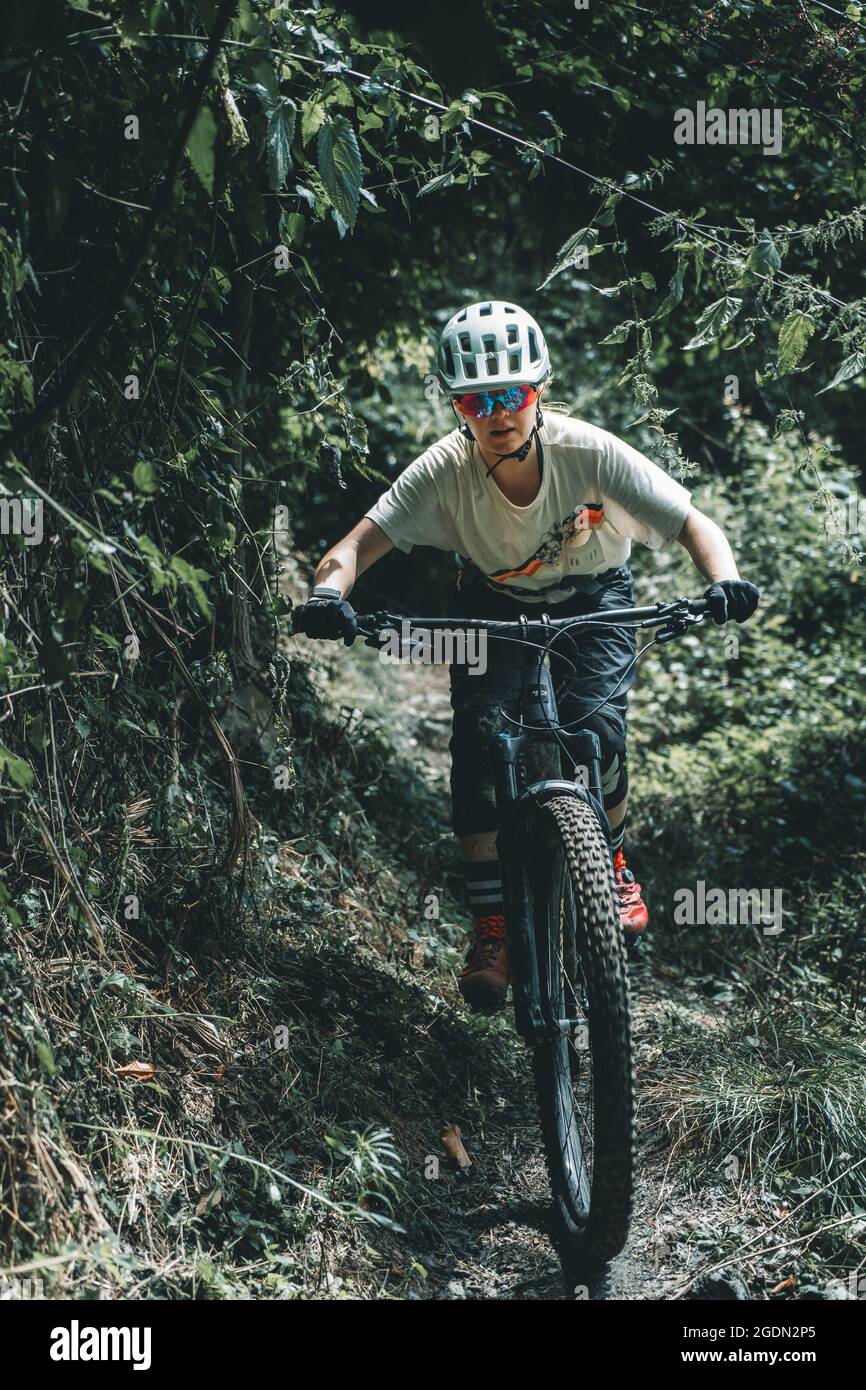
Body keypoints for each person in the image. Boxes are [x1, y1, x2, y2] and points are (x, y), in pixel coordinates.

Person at [294, 301, 759, 1011]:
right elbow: (354, 546)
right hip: (491, 602)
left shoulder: (589, 452)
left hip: (595, 593)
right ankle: (493, 927)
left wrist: (723, 583)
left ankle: (612, 861)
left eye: (511, 393)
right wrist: (327, 596)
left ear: (537, 390)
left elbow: (695, 523)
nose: (497, 412)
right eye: (477, 400)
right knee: (480, 747)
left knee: (594, 729)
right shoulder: (443, 471)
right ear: (457, 406)